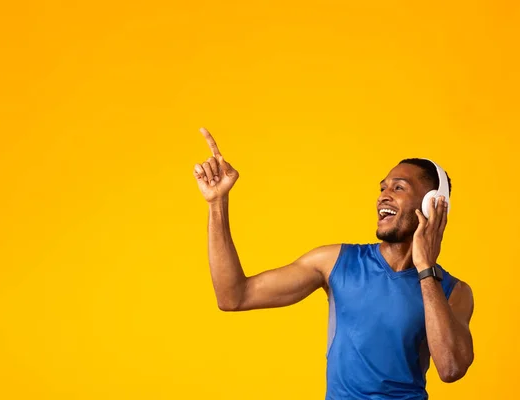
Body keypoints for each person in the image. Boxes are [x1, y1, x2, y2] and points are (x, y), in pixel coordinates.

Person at [193, 127, 474, 399]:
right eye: (382, 188)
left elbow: (451, 368)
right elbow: (233, 296)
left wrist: (426, 267)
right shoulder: (335, 262)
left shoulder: (455, 291)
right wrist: (218, 202)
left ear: (432, 204)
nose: (383, 196)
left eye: (398, 188)